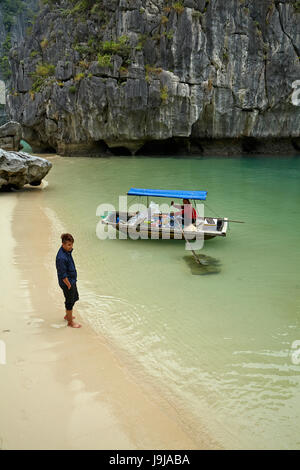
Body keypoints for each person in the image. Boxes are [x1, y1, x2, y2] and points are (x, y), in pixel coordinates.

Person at [56, 233, 81, 328]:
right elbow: (63, 274)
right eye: (69, 245)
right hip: (67, 282)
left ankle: (67, 315)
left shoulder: (66, 251)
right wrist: (69, 285)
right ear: (63, 244)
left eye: (72, 244)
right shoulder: (61, 258)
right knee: (70, 302)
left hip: (71, 280)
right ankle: (70, 323)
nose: (71, 247)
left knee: (74, 298)